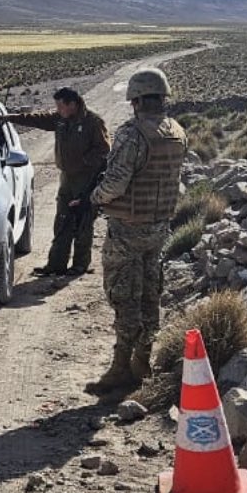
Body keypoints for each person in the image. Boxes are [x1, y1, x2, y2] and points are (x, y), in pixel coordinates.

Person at [84, 67, 187, 401]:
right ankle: (142, 362)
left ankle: (120, 368)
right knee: (149, 293)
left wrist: (94, 197)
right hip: (158, 228)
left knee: (124, 296)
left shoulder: (132, 134)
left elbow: (115, 184)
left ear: (137, 100)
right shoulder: (177, 131)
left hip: (128, 228)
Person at [2, 87, 109, 275]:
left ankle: (80, 265)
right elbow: (38, 119)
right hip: (66, 178)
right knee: (62, 221)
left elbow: (104, 150)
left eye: (61, 106)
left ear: (73, 104)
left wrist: (84, 162)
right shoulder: (60, 120)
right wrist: (10, 117)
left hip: (86, 179)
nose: (58, 110)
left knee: (83, 222)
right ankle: (56, 265)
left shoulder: (93, 122)